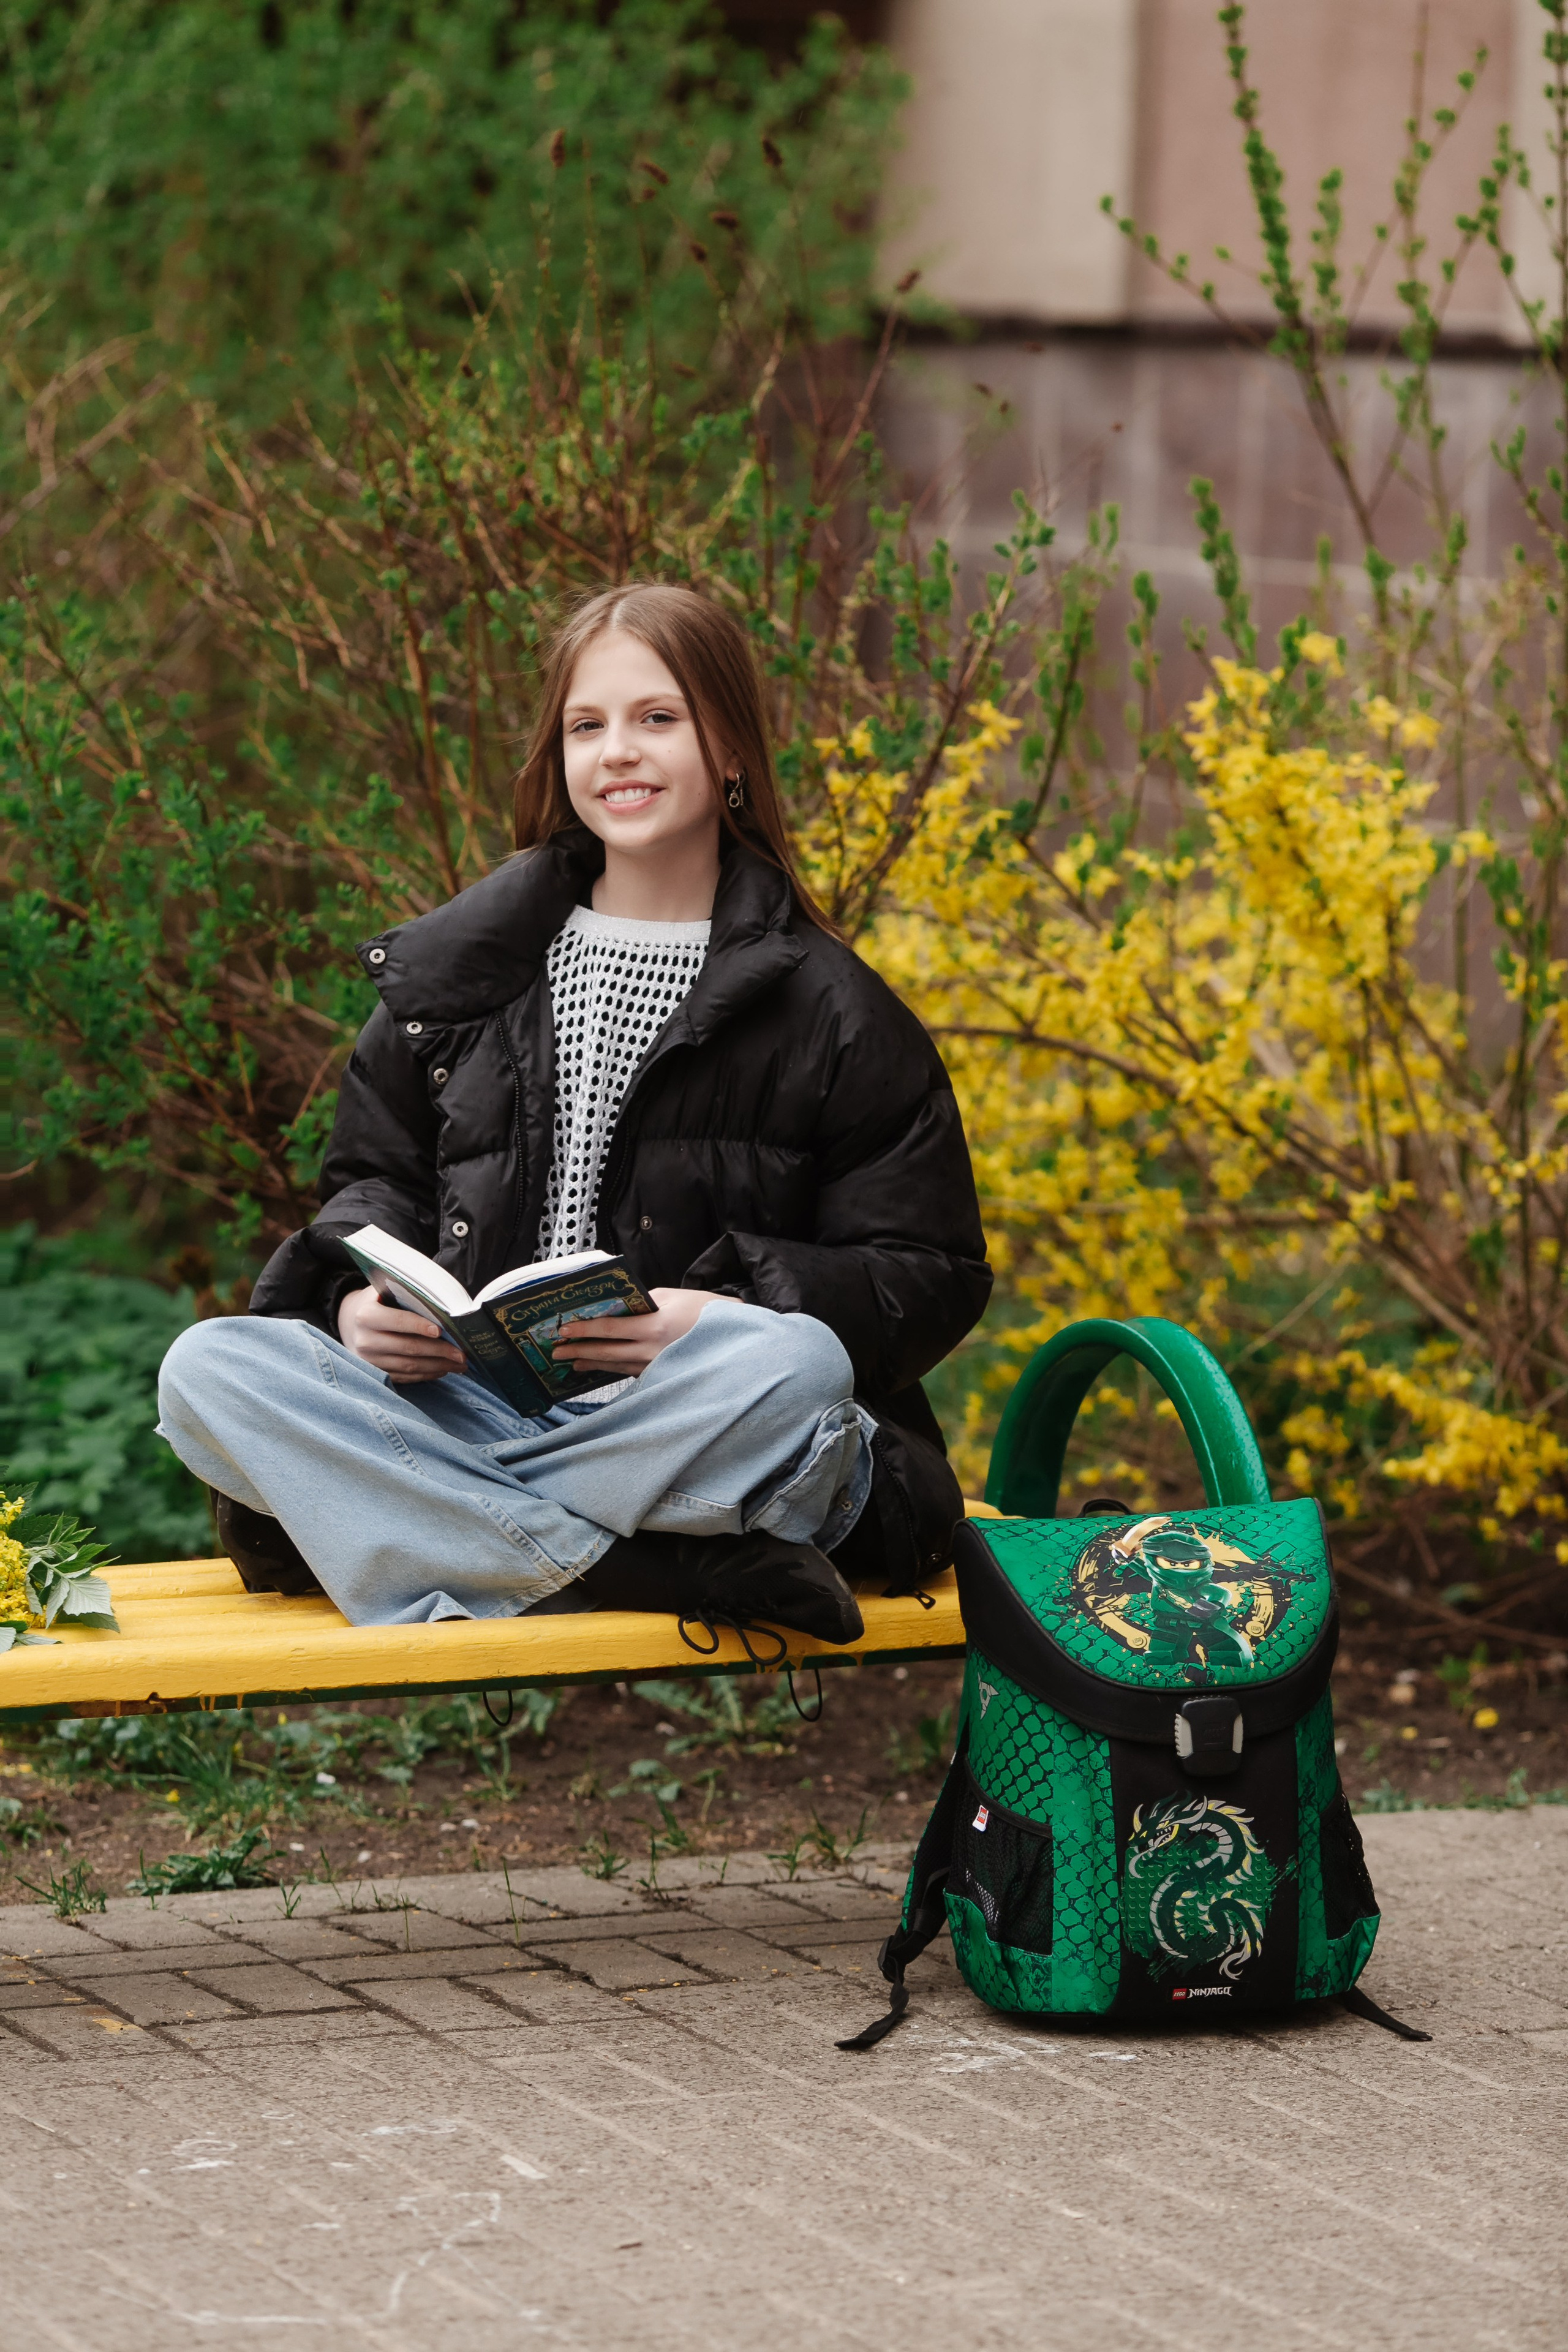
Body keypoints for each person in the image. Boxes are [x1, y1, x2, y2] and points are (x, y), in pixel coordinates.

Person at [157, 582, 992, 1643]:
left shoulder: (832, 1009)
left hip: (691, 1419)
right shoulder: (465, 975)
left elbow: (930, 1271)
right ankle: (641, 1564)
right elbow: (374, 1187)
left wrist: (710, 1315)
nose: (618, 754)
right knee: (208, 1371)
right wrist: (356, 1313)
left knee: (802, 1362)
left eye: (658, 718)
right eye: (586, 726)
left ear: (731, 747)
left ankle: (443, 1524)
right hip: (473, 1402)